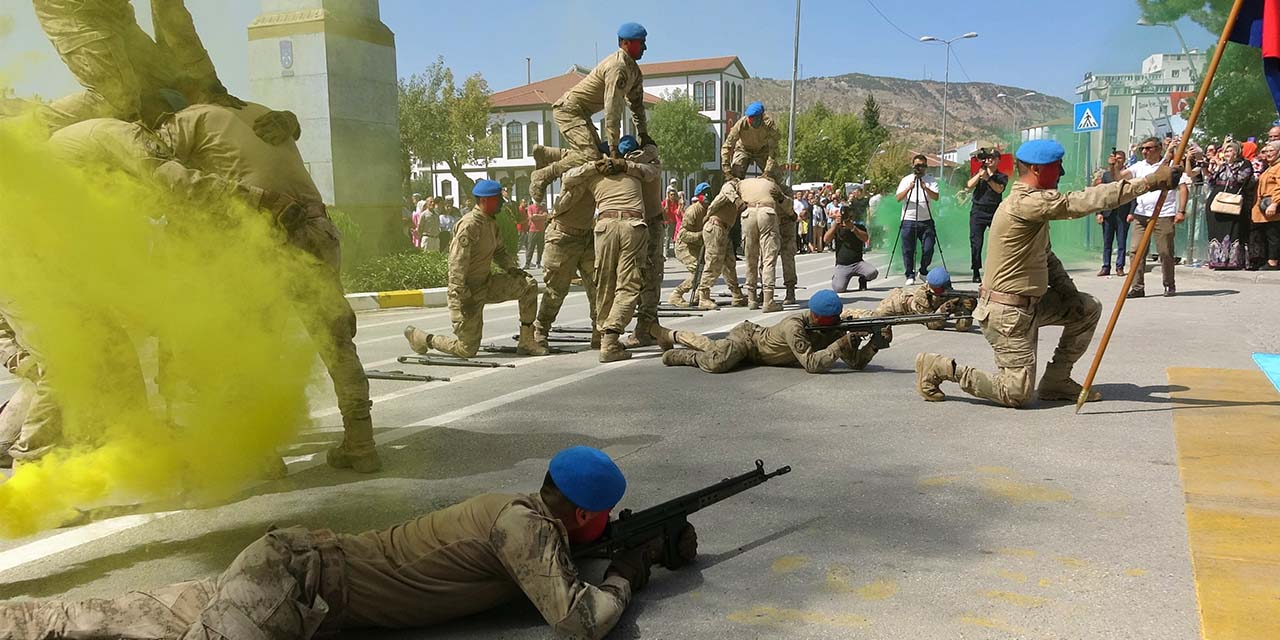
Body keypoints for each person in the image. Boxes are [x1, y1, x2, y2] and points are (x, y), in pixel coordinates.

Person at [0, 446, 697, 640]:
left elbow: (543, 567)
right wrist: (628, 572)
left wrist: (624, 547)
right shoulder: (524, 530)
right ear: (580, 516)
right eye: (603, 522)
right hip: (294, 588)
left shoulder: (520, 515)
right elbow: (577, 621)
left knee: (110, 617)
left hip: (288, 572)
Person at [49, 100, 381, 474]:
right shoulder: (259, 112)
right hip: (318, 230)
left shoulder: (188, 120)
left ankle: (265, 455)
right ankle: (361, 444)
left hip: (267, 233)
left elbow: (162, 167)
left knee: (255, 345)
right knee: (336, 341)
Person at [914, 139, 1178, 408]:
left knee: (1086, 308)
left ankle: (1056, 381)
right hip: (1007, 316)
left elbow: (1047, 258)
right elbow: (1079, 202)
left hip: (1031, 307)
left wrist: (1070, 295)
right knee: (1015, 393)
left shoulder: (1034, 209)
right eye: (1057, 167)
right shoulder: (1024, 203)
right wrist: (1148, 182)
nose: (1061, 173)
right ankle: (941, 367)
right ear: (1037, 170)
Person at [406, 180, 546, 359]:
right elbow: (456, 264)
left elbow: (500, 251)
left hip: (485, 284)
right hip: (466, 292)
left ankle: (526, 341)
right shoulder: (469, 225)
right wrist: (461, 294)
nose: (502, 203)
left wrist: (512, 269)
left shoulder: (491, 223)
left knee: (527, 285)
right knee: (466, 349)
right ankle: (422, 338)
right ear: (486, 201)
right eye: (498, 199)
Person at [559, 136, 659, 361]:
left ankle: (605, 335)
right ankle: (610, 338)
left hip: (604, 228)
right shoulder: (633, 170)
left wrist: (592, 167)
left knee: (604, 283)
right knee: (628, 285)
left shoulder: (598, 173)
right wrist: (622, 165)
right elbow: (653, 169)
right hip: (632, 227)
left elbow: (567, 178)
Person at [530, 22, 649, 203]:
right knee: (591, 156)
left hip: (581, 113)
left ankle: (547, 153)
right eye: (641, 43)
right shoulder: (618, 67)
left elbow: (637, 107)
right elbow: (612, 108)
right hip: (568, 110)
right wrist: (614, 146)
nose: (645, 47)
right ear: (626, 43)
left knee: (595, 154)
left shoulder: (634, 72)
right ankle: (543, 176)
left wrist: (643, 134)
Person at [656, 289, 880, 374]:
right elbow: (812, 364)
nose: (834, 327)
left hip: (759, 353)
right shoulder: (795, 326)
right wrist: (841, 344)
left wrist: (873, 344)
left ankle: (675, 336)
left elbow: (856, 363)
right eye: (831, 322)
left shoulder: (828, 326)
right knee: (716, 360)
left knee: (713, 347)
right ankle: (681, 350)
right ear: (818, 318)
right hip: (749, 340)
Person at [1121, 137, 1189, 298]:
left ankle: (1169, 284)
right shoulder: (1139, 166)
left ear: (1158, 149)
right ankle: (1137, 287)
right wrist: (1114, 166)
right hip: (1141, 214)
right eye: (1142, 149)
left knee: (1165, 251)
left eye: (1148, 148)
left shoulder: (1172, 165)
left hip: (1163, 214)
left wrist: (1181, 211)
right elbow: (1120, 176)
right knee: (1136, 250)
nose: (1144, 151)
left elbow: (1183, 188)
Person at [851, 267, 973, 332]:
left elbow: (962, 328)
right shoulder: (923, 296)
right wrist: (945, 308)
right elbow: (931, 323)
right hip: (899, 304)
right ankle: (850, 313)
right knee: (874, 318)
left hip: (916, 308)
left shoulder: (951, 293)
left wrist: (967, 309)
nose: (946, 291)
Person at [695, 180, 748, 310]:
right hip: (715, 227)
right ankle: (703, 296)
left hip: (724, 230)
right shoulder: (730, 185)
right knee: (713, 262)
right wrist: (738, 201)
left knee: (729, 263)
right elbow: (728, 191)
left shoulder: (740, 190)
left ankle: (736, 294)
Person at [739, 176, 787, 312]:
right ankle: (768, 300)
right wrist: (792, 214)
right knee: (768, 259)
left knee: (750, 258)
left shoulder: (743, 183)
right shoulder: (771, 183)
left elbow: (730, 190)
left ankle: (751, 299)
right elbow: (785, 202)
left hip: (748, 213)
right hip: (767, 213)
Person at [1204, 141, 1253, 270]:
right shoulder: (1221, 165)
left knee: (1233, 231)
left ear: (1237, 152)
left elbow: (1239, 179)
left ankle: (1233, 261)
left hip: (1233, 201)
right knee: (1216, 231)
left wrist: (1229, 166)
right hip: (1217, 201)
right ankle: (1217, 261)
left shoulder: (1245, 164)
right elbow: (1211, 181)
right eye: (1225, 151)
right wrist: (1217, 167)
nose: (1227, 154)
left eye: (1230, 151)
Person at [895, 154, 940, 285]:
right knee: (908, 249)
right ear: (913, 166)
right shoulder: (906, 180)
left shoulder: (931, 180)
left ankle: (923, 270)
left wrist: (925, 187)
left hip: (926, 220)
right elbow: (898, 198)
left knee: (928, 248)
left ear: (926, 166)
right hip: (908, 220)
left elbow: (936, 197)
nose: (919, 168)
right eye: (917, 165)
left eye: (922, 165)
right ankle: (910, 274)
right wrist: (909, 187)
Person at [966, 149, 1008, 283]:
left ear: (998, 160)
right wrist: (980, 175)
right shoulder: (979, 173)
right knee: (976, 242)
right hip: (978, 211)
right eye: (988, 158)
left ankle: (998, 270)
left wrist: (988, 178)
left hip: (994, 210)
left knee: (998, 242)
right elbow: (969, 185)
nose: (990, 160)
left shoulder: (1001, 176)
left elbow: (999, 189)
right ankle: (976, 270)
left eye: (993, 158)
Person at [669, 182, 710, 307]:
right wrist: (701, 235)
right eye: (704, 193)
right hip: (684, 246)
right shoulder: (692, 211)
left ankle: (700, 296)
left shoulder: (709, 209)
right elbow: (683, 235)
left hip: (697, 246)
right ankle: (676, 295)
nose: (708, 195)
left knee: (706, 270)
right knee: (697, 271)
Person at [721, 101, 783, 183]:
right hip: (743, 150)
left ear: (762, 116)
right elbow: (727, 146)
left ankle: (783, 193)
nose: (753, 122)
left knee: (776, 177)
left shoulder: (769, 126)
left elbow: (773, 151)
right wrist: (727, 170)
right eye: (751, 119)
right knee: (735, 175)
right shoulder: (741, 124)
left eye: (756, 119)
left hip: (763, 151)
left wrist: (767, 171)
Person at [1094, 151, 1133, 276]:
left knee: (1121, 241)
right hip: (1108, 213)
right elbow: (1102, 194)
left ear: (1124, 159)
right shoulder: (1106, 175)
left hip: (1122, 213)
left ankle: (1119, 267)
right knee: (1107, 242)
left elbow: (1132, 195)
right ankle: (1106, 266)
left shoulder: (1129, 174)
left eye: (1120, 158)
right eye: (1115, 158)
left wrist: (1131, 212)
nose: (1117, 160)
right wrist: (1099, 212)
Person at [826, 203, 879, 293]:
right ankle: (837, 277)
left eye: (849, 217)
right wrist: (835, 225)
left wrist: (853, 228)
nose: (846, 219)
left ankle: (863, 279)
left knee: (872, 272)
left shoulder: (859, 227)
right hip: (842, 265)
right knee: (839, 289)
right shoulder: (837, 228)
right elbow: (826, 239)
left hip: (858, 263)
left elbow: (865, 238)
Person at [1250, 141, 1280, 270]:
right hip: (1264, 207)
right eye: (1266, 151)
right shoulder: (1269, 167)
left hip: (1273, 206)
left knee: (1274, 235)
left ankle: (1273, 262)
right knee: (1268, 234)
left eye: (1271, 151)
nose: (1268, 154)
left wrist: (1274, 203)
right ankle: (1268, 260)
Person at [524, 199, 547, 268]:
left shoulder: (543, 207)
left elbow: (545, 216)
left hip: (541, 230)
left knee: (540, 247)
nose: (537, 202)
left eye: (538, 200)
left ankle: (538, 263)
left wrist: (536, 216)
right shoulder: (530, 207)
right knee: (530, 247)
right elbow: (531, 217)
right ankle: (527, 263)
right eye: (536, 200)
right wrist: (540, 216)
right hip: (532, 230)